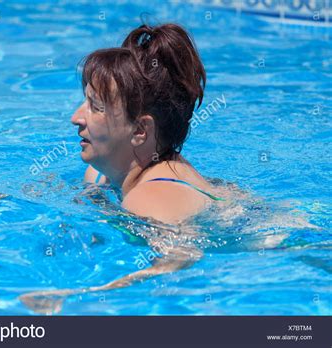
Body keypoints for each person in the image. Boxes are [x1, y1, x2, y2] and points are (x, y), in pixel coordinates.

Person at [19, 23, 224, 314]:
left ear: (140, 130)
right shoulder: (102, 172)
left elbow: (182, 257)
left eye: (95, 107)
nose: (76, 118)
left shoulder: (149, 198)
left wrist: (81, 297)